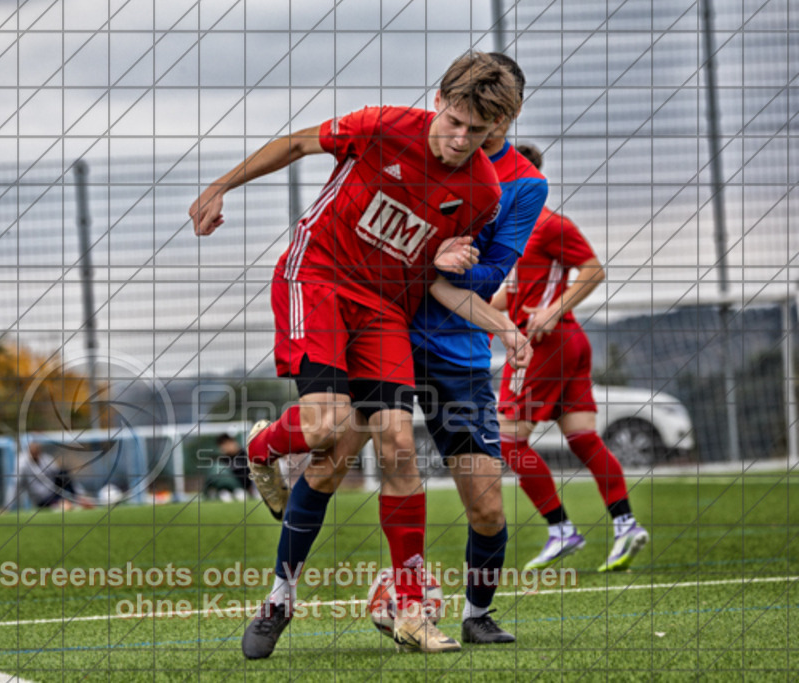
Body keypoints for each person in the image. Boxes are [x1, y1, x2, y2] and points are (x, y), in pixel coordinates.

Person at [190, 52, 521, 657]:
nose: (460, 139)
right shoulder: (380, 126)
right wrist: (219, 187)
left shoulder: (482, 191)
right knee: (327, 432)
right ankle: (263, 452)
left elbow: (433, 275)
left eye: (478, 133)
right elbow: (294, 145)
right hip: (314, 280)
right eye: (456, 122)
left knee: (398, 444)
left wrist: (463, 284)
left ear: (495, 132)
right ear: (441, 99)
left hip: (382, 313)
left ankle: (413, 609)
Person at [408, 52, 548, 645]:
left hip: (456, 350)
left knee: (487, 505)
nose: (471, 131)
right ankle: (280, 600)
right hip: (383, 329)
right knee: (333, 455)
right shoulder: (415, 142)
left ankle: (476, 614)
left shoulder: (524, 183)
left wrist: (443, 271)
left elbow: (491, 274)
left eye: (490, 118)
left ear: (508, 116)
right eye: (463, 114)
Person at [493, 144, 649, 573]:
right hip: (565, 344)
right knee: (582, 438)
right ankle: (625, 524)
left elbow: (593, 270)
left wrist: (552, 310)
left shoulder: (548, 225)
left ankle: (561, 529)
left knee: (508, 440)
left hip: (544, 343)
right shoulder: (514, 230)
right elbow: (514, 293)